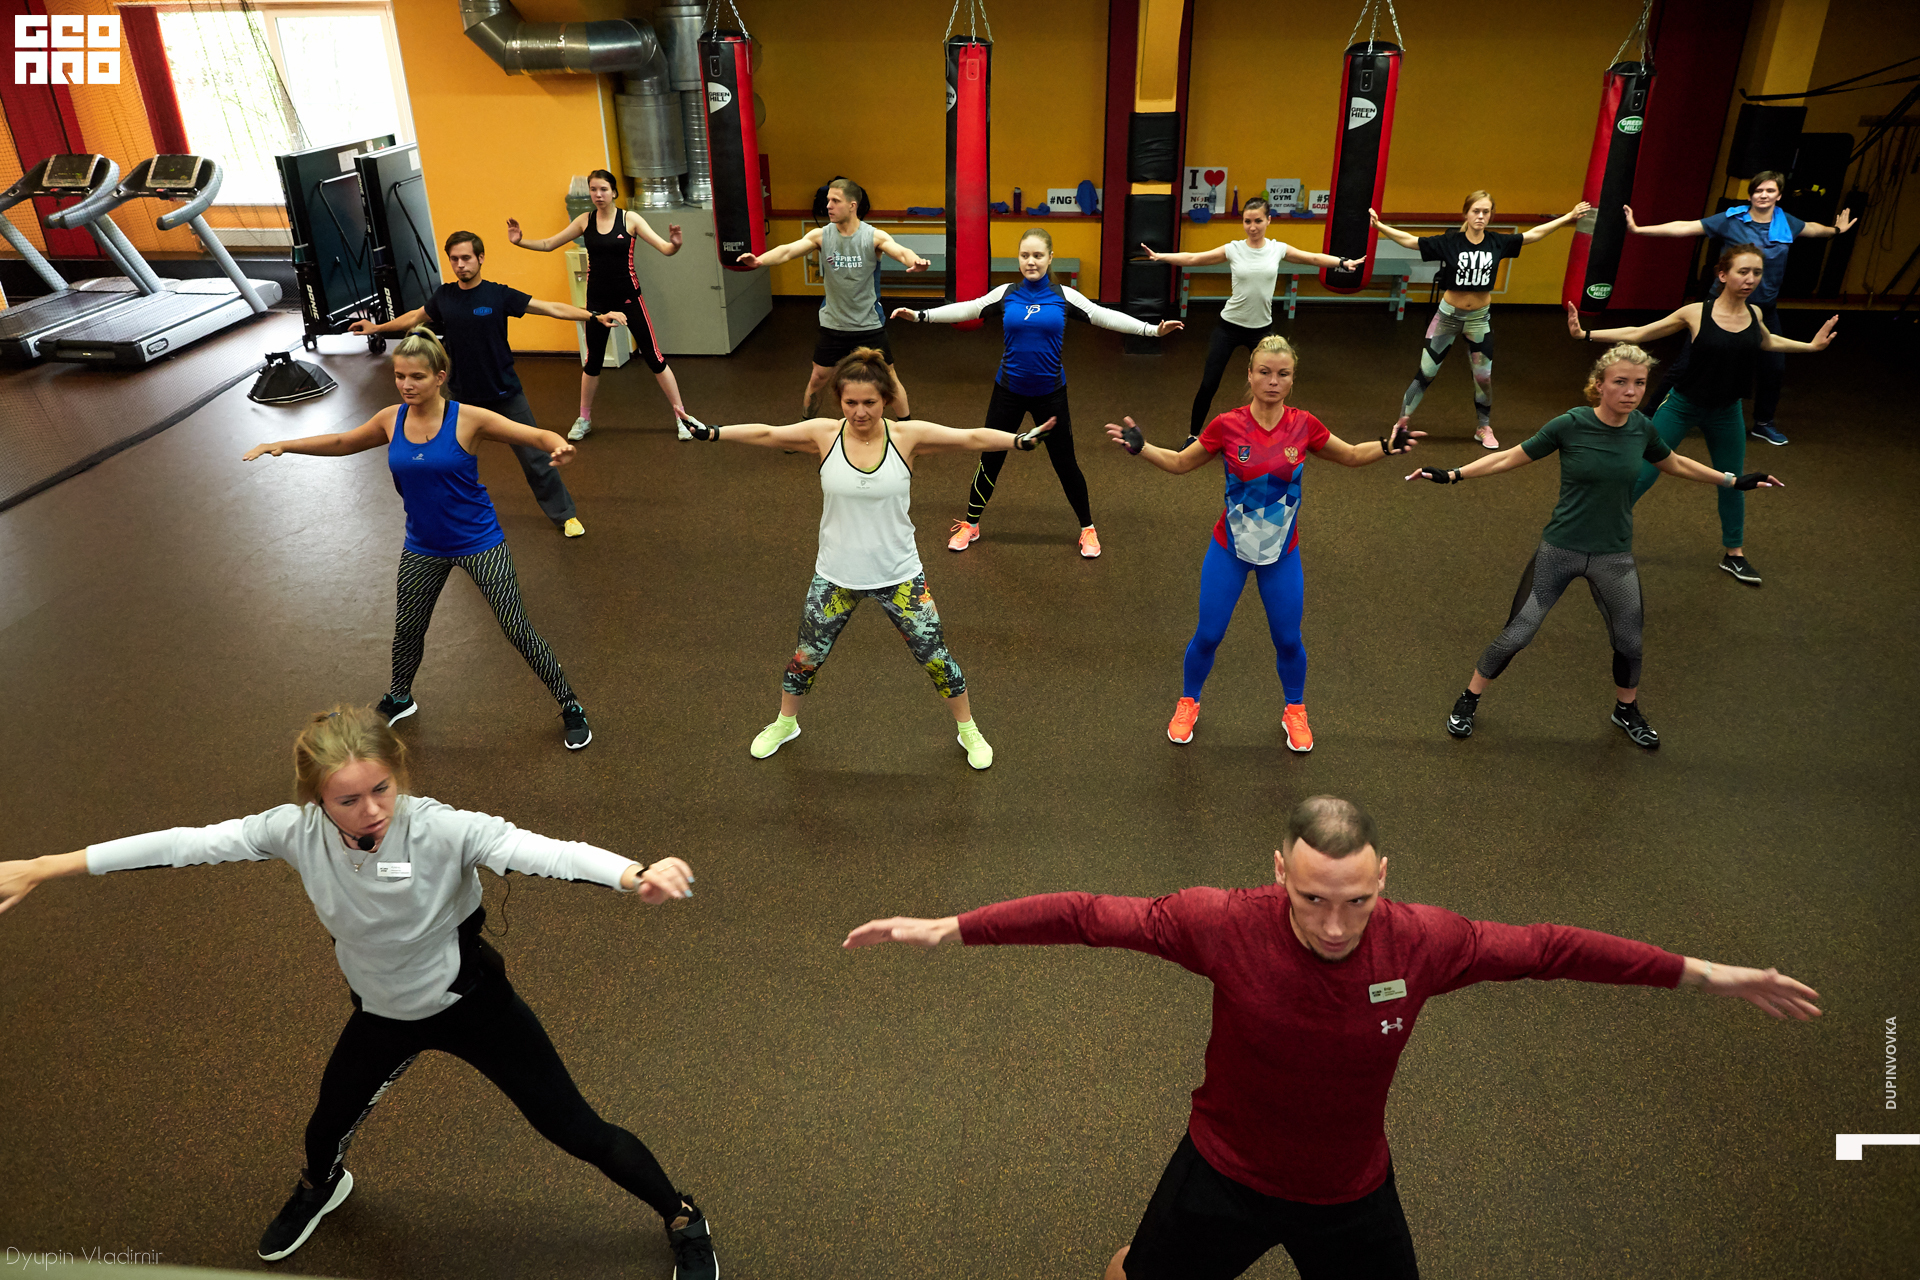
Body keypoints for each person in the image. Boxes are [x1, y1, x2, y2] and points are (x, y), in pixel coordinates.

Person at [843, 794, 1821, 1280]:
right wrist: (951, 926)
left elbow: (1553, 948)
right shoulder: (1220, 921)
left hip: (1351, 1193)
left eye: (1356, 899)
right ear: (1279, 871)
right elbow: (1089, 914)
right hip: (1222, 1172)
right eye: (1313, 898)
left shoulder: (1426, 941)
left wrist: (1706, 973)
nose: (1336, 923)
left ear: (1383, 876)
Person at [0, 706, 718, 1278]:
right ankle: (324, 1188)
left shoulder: (444, 829)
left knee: (577, 1130)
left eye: (382, 789)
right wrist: (43, 866)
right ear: (316, 799)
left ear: (398, 776)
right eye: (348, 799)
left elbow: (544, 850)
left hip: (473, 1008)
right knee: (323, 1131)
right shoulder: (292, 832)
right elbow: (182, 843)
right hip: (382, 1014)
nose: (371, 809)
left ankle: (683, 1216)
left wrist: (633, 874)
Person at [679, 347, 1052, 770]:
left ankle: (968, 729)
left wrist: (1017, 441)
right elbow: (768, 434)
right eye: (850, 402)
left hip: (899, 574)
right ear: (839, 400)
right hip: (836, 575)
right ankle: (785, 723)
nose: (860, 412)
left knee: (936, 658)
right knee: (805, 658)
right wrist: (714, 433)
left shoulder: (906, 437)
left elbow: (969, 437)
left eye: (870, 402)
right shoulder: (823, 434)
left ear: (886, 400)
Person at [1408, 342, 1782, 749]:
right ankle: (1469, 698)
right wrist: (1454, 474)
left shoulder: (1642, 429)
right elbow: (1509, 457)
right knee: (1518, 633)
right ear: (1599, 385)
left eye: (1639, 383)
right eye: (1620, 382)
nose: (1631, 391)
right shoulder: (1570, 424)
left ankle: (1626, 709)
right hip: (1561, 549)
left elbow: (1673, 462)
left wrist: (1732, 480)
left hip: (1613, 556)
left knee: (1629, 641)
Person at [245, 328, 596, 750]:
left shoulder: (468, 418)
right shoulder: (390, 419)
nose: (406, 385)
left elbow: (534, 435)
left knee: (516, 627)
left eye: (417, 377)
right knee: (408, 628)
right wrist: (283, 444)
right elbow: (342, 441)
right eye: (399, 376)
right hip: (423, 546)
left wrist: (559, 446)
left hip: (480, 542)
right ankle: (400, 697)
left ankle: (570, 704)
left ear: (440, 377)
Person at [1103, 336, 1420, 753]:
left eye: (1282, 374)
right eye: (1265, 372)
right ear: (1250, 375)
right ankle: (1188, 702)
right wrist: (1143, 448)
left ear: (1292, 380)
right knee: (1208, 635)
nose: (1273, 381)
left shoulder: (1304, 425)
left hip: (1281, 553)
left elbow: (1350, 455)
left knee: (1288, 640)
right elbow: (1181, 463)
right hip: (1229, 549)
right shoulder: (1226, 425)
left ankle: (1295, 709)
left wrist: (1386, 446)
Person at [894, 228, 1182, 560]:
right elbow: (969, 309)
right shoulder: (1007, 293)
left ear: (1050, 258)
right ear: (1018, 258)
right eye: (1025, 255)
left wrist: (1151, 330)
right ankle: (971, 524)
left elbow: (1104, 317)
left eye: (1037, 255)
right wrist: (921, 316)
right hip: (1008, 391)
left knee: (1065, 462)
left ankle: (1087, 527)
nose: (1031, 261)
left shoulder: (1064, 296)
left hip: (1050, 394)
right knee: (990, 458)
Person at [1567, 245, 1837, 586]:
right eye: (1743, 271)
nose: (1750, 279)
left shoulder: (1754, 313)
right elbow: (1641, 332)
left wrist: (1810, 347)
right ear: (1723, 274)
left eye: (1756, 273)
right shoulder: (1696, 313)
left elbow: (1767, 341)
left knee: (1733, 481)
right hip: (1682, 405)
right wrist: (1585, 334)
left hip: (1727, 411)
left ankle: (1734, 554)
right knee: (1642, 473)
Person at [352, 231, 621, 539]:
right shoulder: (445, 296)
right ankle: (451, 518)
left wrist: (594, 316)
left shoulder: (497, 295)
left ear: (480, 258)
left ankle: (565, 514)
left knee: (535, 458)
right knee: (448, 461)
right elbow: (415, 317)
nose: (460, 265)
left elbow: (551, 308)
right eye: (454, 259)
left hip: (505, 392)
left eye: (466, 258)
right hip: (462, 397)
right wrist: (377, 327)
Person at [1626, 170, 1853, 445]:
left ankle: (1763, 423)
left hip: (1763, 308)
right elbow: (1686, 227)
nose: (1763, 195)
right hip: (1722, 306)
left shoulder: (1786, 223)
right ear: (1750, 195)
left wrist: (1837, 230)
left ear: (1779, 196)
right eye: (1758, 190)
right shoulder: (1731, 219)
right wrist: (1639, 229)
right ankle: (1650, 414)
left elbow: (1814, 229)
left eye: (1770, 191)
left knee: (1773, 368)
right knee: (1686, 364)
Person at [1372, 194, 1591, 449]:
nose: (1480, 216)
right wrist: (1380, 226)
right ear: (1465, 213)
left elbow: (1533, 235)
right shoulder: (1450, 242)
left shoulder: (1497, 242)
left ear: (1491, 215)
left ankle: (1483, 427)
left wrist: (1568, 217)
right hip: (1447, 318)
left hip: (1479, 319)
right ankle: (1401, 423)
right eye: (1476, 211)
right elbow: (1411, 241)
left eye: (1486, 212)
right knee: (1426, 372)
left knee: (1483, 378)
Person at [1135, 197, 1360, 443]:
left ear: (1268, 220)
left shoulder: (1277, 249)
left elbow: (1313, 258)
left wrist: (1342, 263)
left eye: (1258, 221)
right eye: (1247, 221)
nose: (1252, 227)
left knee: (1269, 386)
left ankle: (1268, 436)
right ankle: (1192, 436)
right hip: (1228, 327)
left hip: (1261, 331)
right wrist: (1160, 257)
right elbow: (1194, 258)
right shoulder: (1234, 249)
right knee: (1209, 384)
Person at [506, 168, 695, 442]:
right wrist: (520, 241)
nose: (598, 194)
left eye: (603, 189)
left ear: (614, 192)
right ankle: (584, 418)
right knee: (592, 361)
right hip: (597, 302)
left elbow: (665, 248)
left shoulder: (630, 219)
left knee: (654, 359)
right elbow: (548, 244)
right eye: (593, 189)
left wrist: (675, 244)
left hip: (629, 299)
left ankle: (682, 417)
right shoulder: (585, 220)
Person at [735, 177, 929, 418]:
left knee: (888, 378)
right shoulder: (821, 235)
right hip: (833, 324)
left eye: (835, 201)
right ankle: (805, 427)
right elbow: (787, 250)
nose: (828, 206)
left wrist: (914, 262)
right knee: (818, 377)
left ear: (852, 205)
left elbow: (900, 251)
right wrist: (759, 260)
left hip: (868, 324)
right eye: (828, 200)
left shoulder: (873, 237)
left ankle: (907, 427)